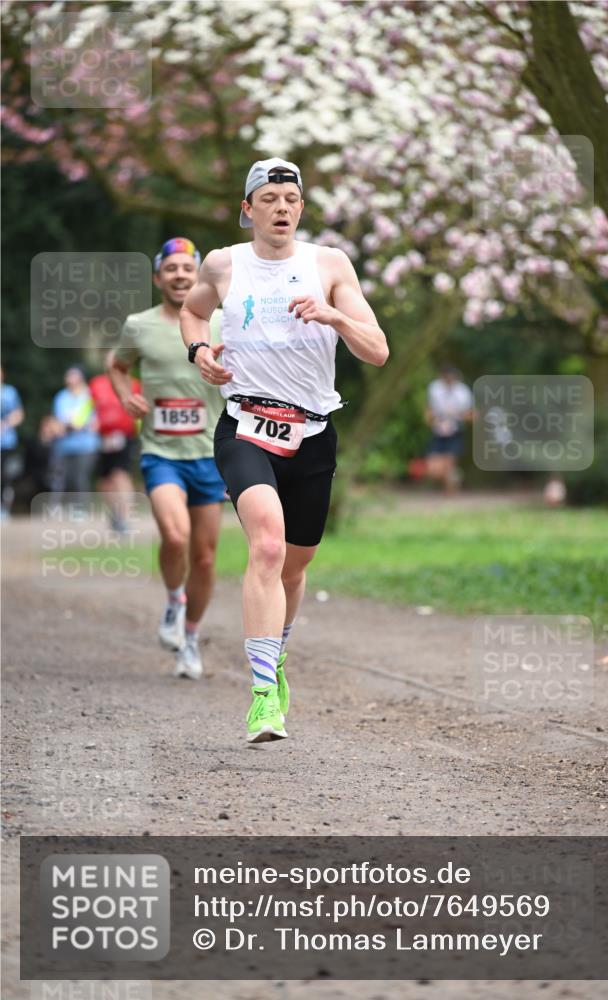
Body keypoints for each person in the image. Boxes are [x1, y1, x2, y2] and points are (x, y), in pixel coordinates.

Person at [180, 157, 389, 743]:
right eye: (268, 199)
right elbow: (193, 313)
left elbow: (377, 350)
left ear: (301, 208)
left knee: (294, 567)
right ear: (247, 209)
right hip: (245, 425)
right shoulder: (224, 264)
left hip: (314, 434)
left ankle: (278, 650)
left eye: (290, 200)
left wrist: (334, 314)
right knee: (266, 545)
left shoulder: (328, 265)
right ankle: (263, 695)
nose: (281, 208)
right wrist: (198, 352)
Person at [108, 237, 227, 680]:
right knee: (175, 537)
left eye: (186, 268)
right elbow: (117, 366)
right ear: (158, 277)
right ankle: (175, 599)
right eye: (170, 268)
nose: (179, 274)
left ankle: (191, 639)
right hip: (162, 452)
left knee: (206, 557)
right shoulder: (138, 325)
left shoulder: (221, 323)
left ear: (198, 275)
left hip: (211, 454)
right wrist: (126, 397)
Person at [90, 353, 141, 533]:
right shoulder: (96, 384)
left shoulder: (133, 384)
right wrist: (87, 422)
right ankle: (115, 515)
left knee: (120, 475)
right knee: (104, 482)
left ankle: (126, 518)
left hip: (124, 437)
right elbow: (87, 408)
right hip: (103, 438)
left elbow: (140, 411)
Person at [51, 365, 99, 501]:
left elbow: (96, 420)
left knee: (81, 477)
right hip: (65, 445)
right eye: (68, 375)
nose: (70, 379)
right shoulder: (61, 397)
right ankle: (67, 506)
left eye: (73, 375)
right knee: (67, 478)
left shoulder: (90, 396)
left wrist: (82, 425)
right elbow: (58, 419)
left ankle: (81, 507)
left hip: (86, 444)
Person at [425, 365, 473, 494]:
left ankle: (450, 498)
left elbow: (470, 415)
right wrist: (433, 421)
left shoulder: (463, 392)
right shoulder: (435, 388)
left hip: (455, 432)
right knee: (434, 470)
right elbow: (429, 410)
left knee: (449, 464)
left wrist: (456, 415)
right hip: (438, 431)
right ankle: (456, 476)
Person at [0, 366, 25, 518]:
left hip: (6, 443)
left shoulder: (10, 392)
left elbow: (19, 414)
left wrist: (6, 423)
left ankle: (3, 508)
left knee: (4, 476)